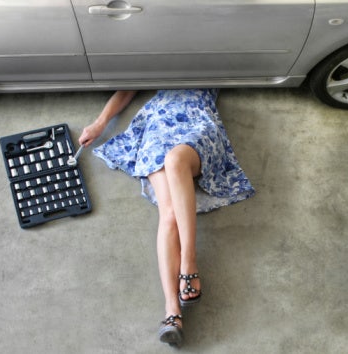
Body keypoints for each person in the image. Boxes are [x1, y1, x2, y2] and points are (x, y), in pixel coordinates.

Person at [78, 89, 255, 347]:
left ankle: (189, 264)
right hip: (157, 124)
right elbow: (128, 86)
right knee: (168, 213)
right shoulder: (155, 53)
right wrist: (99, 123)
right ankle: (172, 313)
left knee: (174, 161)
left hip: (197, 120)